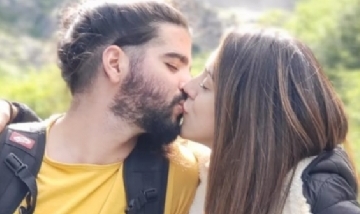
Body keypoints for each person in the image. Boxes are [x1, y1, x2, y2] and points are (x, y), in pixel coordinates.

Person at [0, 0, 203, 213]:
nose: (187, 84)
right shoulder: (6, 151)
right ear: (115, 64)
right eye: (172, 66)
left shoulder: (179, 175)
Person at [181, 26, 360, 214]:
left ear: (249, 109)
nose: (187, 87)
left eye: (206, 85)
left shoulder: (315, 197)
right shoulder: (202, 180)